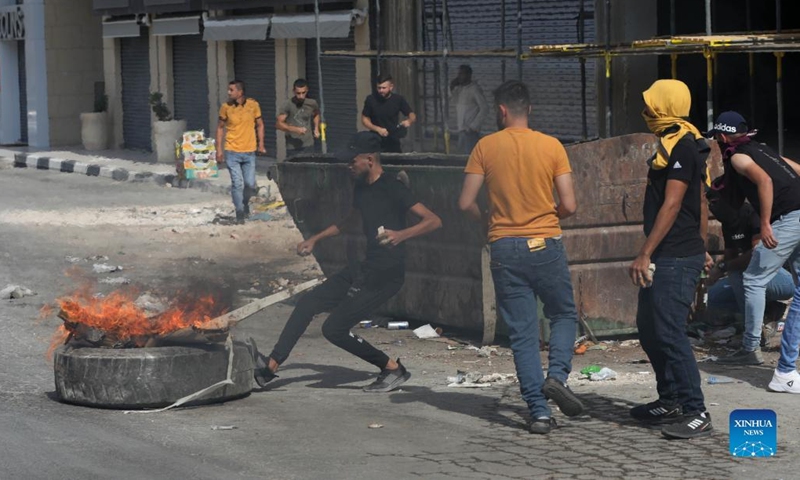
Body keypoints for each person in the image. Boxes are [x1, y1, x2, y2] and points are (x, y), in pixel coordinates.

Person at [249, 131, 442, 392]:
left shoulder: (393, 188)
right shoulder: (361, 187)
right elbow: (348, 221)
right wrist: (315, 239)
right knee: (308, 303)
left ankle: (392, 369)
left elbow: (433, 220)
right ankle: (271, 366)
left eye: (353, 161)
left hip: (387, 275)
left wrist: (401, 234)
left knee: (334, 328)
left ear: (370, 159)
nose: (348, 165)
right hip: (366, 268)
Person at [458, 80, 584, 435]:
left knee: (523, 334)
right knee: (562, 314)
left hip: (503, 246)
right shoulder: (551, 146)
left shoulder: (485, 147)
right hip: (545, 243)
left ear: (500, 111)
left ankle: (539, 413)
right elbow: (570, 206)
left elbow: (465, 202)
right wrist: (546, 217)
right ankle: (557, 376)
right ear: (528, 109)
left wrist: (486, 221)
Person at [628, 79, 713, 439]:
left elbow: (675, 202)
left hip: (675, 255)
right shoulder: (672, 143)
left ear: (665, 106)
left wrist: (644, 251)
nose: (646, 111)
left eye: (651, 105)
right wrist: (704, 242)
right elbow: (703, 201)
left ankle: (696, 410)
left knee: (670, 332)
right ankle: (671, 399)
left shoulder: (683, 147)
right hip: (673, 250)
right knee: (649, 328)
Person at [709, 111, 800, 367]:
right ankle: (787, 350)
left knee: (753, 279)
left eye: (717, 138)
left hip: (789, 218)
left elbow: (765, 181)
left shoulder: (738, 156)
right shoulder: (764, 149)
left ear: (723, 136)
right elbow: (798, 170)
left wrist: (766, 223)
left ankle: (750, 348)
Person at [704, 182, 794, 329]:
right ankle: (769, 310)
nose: (711, 207)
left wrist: (723, 266)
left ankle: (751, 330)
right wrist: (714, 272)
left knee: (737, 274)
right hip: (753, 276)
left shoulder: (752, 213)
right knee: (714, 295)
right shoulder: (728, 223)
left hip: (781, 279)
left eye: (715, 202)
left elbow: (756, 255)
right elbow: (730, 255)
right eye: (709, 203)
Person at [216, 80, 266, 224]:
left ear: (240, 92)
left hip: (249, 152)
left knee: (250, 185)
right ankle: (239, 213)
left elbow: (260, 125)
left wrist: (261, 144)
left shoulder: (253, 105)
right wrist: (219, 150)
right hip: (232, 151)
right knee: (237, 184)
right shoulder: (226, 107)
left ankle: (244, 205)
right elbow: (220, 128)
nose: (229, 92)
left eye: (232, 90)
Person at [361, 74, 416, 153]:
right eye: (379, 88)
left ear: (391, 87)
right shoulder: (371, 99)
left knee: (395, 162)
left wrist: (409, 121)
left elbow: (412, 115)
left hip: (393, 139)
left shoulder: (398, 99)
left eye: (384, 88)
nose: (381, 91)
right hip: (375, 139)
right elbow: (364, 119)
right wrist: (378, 129)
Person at [450, 65, 489, 155]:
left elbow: (485, 108)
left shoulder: (474, 89)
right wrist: (452, 88)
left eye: (461, 74)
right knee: (460, 156)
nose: (459, 77)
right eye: (458, 74)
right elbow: (453, 101)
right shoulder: (459, 89)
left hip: (470, 131)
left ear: (469, 75)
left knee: (470, 156)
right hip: (461, 130)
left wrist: (473, 126)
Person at [276, 78, 320, 157]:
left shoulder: (312, 103)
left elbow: (316, 114)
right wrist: (295, 129)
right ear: (294, 91)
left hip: (308, 145)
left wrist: (316, 128)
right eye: (298, 93)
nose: (301, 96)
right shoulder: (288, 104)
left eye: (303, 93)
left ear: (307, 90)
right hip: (293, 147)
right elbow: (278, 124)